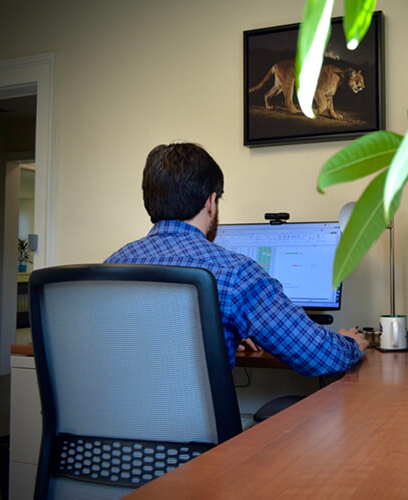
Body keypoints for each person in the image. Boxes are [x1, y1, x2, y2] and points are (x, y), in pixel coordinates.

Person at [106, 142, 366, 377]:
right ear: (210, 202)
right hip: (197, 431)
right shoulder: (236, 272)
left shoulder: (111, 266)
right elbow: (319, 356)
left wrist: (222, 336)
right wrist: (352, 344)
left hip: (107, 427)